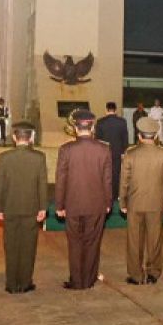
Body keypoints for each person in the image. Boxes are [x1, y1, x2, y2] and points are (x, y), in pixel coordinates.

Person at [54, 109, 112, 290]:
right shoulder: (104, 149)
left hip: (72, 204)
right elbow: (107, 180)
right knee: (92, 242)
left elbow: (61, 179)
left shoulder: (66, 149)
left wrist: (59, 204)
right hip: (96, 204)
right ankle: (89, 279)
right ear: (92, 126)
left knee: (75, 243)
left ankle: (77, 280)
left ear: (75, 128)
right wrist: (108, 203)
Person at [0, 120, 47, 293]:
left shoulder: (4, 158)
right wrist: (43, 207)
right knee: (28, 247)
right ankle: (25, 282)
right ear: (30, 138)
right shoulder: (39, 157)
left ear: (14, 137)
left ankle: (11, 283)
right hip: (31, 208)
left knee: (11, 246)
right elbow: (42, 185)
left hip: (10, 208)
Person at [119, 116, 163, 284]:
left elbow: (124, 182)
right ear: (155, 136)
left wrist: (122, 203)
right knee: (155, 240)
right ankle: (153, 273)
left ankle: (136, 275)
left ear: (139, 136)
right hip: (156, 204)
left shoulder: (130, 155)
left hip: (135, 204)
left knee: (134, 241)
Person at [94, 101, 129, 203]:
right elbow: (125, 138)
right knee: (117, 174)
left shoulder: (100, 122)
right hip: (117, 152)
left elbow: (97, 139)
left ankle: (105, 195)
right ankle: (116, 195)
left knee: (104, 173)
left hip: (103, 152)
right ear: (115, 110)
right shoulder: (122, 121)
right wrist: (124, 152)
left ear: (106, 110)